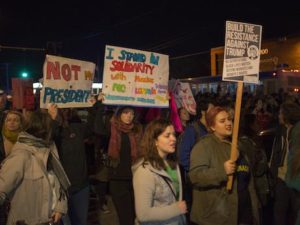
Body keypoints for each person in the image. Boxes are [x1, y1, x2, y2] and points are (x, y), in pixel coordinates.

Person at [189, 106, 260, 225]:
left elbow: (248, 180)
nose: (228, 123)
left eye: (229, 119)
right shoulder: (203, 146)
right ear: (212, 126)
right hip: (217, 216)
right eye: (222, 121)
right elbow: (195, 176)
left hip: (243, 214)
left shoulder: (238, 145)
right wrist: (222, 171)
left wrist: (254, 208)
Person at [0, 110, 69, 225]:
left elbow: (58, 184)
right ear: (42, 130)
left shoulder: (49, 151)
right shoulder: (21, 155)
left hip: (51, 221)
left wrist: (59, 208)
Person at [132, 118, 187, 224]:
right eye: (167, 136)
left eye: (174, 134)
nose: (174, 139)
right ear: (154, 141)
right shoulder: (144, 172)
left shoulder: (173, 164)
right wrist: (176, 209)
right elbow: (143, 214)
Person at [272, 102, 300, 225]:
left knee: (294, 212)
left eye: (280, 113)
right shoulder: (281, 131)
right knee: (280, 212)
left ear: (286, 115)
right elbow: (275, 154)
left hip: (294, 178)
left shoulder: (297, 133)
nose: (278, 116)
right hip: (282, 178)